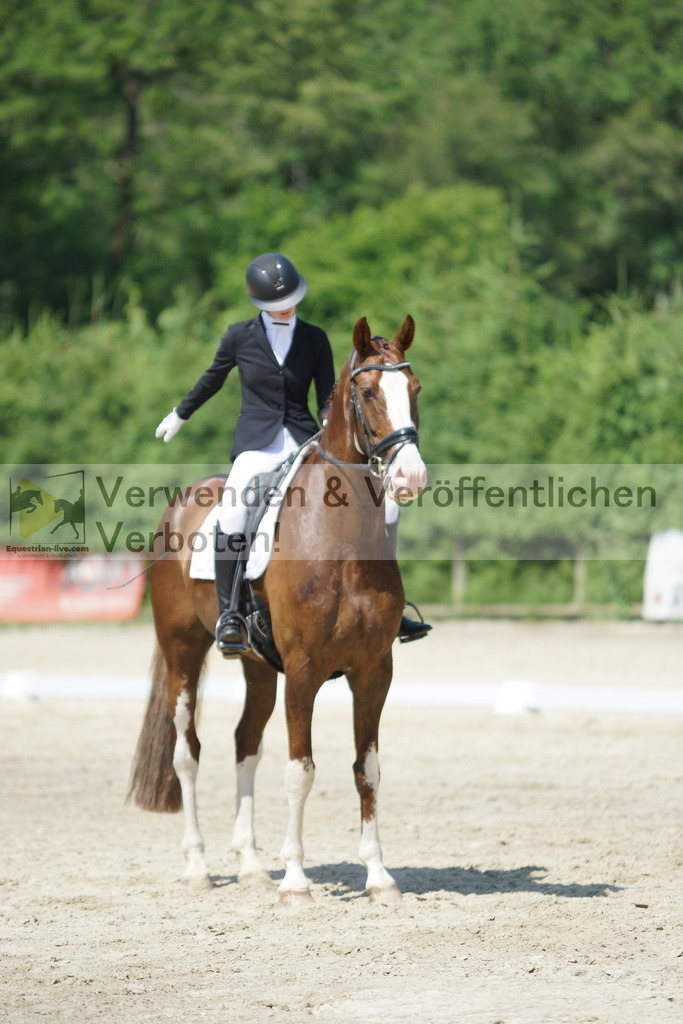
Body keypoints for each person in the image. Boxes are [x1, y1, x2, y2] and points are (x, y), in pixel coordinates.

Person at [155, 252, 431, 654]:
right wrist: (180, 414)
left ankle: (389, 602)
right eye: (277, 304)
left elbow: (326, 397)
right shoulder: (238, 336)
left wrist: (328, 425)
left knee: (386, 506)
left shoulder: (314, 337)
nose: (287, 308)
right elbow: (212, 379)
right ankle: (230, 612)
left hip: (304, 440)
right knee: (233, 509)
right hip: (256, 446)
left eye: (291, 300)